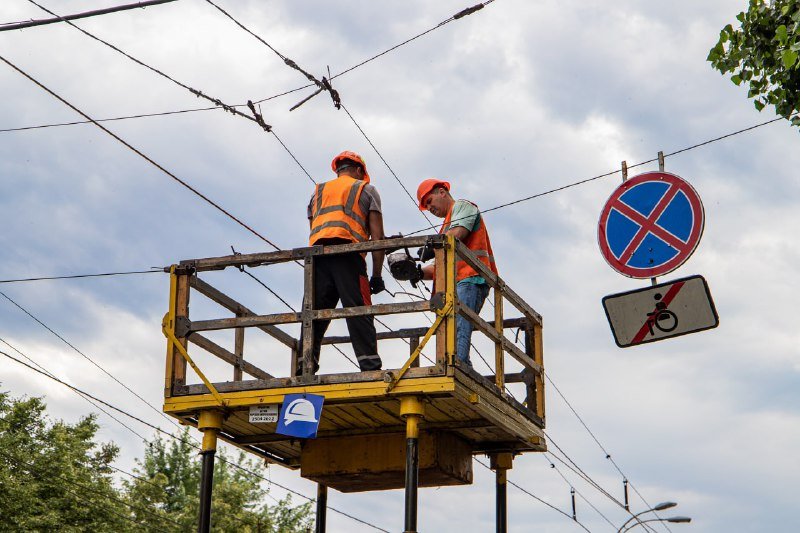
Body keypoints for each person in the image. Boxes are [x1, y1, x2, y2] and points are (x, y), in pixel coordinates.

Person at [301, 151, 385, 375]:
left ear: (338, 170)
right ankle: (370, 367)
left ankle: (304, 369)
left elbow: (314, 227)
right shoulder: (365, 189)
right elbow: (378, 238)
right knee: (358, 310)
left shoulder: (317, 192)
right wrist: (377, 275)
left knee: (312, 315)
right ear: (359, 171)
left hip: (316, 257)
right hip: (349, 255)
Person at [416, 178, 498, 367]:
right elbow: (438, 269)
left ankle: (459, 366)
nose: (430, 208)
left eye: (429, 202)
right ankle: (457, 365)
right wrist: (418, 272)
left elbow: (459, 233)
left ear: (442, 192)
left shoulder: (463, 207)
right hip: (454, 284)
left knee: (460, 325)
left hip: (470, 279)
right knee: (450, 330)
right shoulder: (445, 228)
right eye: (426, 206)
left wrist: (432, 245)